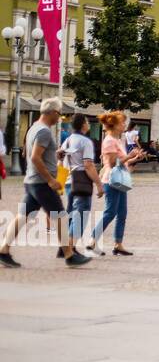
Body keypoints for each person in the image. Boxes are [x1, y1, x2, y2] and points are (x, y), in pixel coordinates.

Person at [0, 99, 93, 268]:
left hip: (32, 181)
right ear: (52, 113)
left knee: (22, 216)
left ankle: (3, 250)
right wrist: (51, 180)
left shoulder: (34, 128)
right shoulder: (44, 132)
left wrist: (54, 156)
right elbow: (35, 157)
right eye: (59, 114)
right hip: (42, 183)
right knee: (61, 217)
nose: (60, 118)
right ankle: (69, 255)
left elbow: (31, 154)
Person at [90, 111, 141, 256]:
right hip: (111, 180)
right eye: (121, 122)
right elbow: (112, 164)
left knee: (122, 213)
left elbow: (122, 162)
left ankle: (118, 244)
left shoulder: (118, 140)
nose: (124, 124)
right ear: (115, 125)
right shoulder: (109, 141)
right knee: (110, 212)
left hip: (120, 180)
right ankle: (93, 240)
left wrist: (135, 158)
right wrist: (129, 157)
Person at [60, 114, 101, 247]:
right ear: (83, 124)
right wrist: (99, 184)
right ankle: (70, 249)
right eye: (87, 122)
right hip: (81, 182)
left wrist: (60, 182)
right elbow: (88, 164)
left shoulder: (67, 140)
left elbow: (60, 161)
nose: (88, 124)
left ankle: (65, 247)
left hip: (68, 182)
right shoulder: (85, 141)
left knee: (71, 215)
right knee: (80, 215)